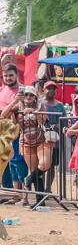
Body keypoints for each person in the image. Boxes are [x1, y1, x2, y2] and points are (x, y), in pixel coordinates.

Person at [0, 60, 24, 199]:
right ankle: (7, 193)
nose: (8, 78)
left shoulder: (23, 91)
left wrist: (7, 110)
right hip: (2, 133)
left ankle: (19, 194)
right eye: (5, 76)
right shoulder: (1, 90)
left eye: (10, 75)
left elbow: (12, 111)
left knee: (17, 163)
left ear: (17, 75)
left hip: (17, 133)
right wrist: (9, 109)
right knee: (4, 164)